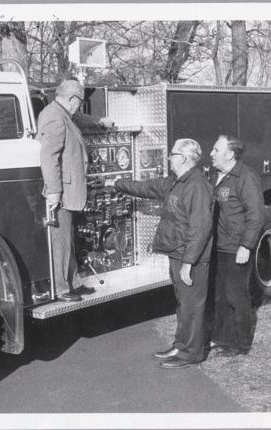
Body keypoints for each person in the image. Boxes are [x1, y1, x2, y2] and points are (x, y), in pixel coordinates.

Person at [112, 139, 214, 369]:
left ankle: (191, 353)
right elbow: (148, 188)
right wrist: (119, 184)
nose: (169, 157)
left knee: (192, 306)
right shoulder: (176, 181)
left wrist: (189, 262)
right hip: (177, 252)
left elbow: (201, 228)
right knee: (182, 303)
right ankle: (181, 345)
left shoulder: (197, 185)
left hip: (190, 256)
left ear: (185, 158)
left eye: (173, 154)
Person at [38, 79, 115, 301]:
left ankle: (73, 283)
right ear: (73, 98)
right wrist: (54, 191)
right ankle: (62, 290)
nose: (79, 107)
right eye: (79, 102)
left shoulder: (63, 113)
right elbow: (48, 156)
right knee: (60, 240)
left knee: (67, 237)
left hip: (67, 189)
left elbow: (79, 119)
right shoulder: (54, 116)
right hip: (61, 190)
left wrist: (100, 122)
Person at [208, 135, 265, 357]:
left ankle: (240, 344)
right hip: (220, 246)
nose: (211, 153)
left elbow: (256, 215)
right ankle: (222, 338)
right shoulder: (218, 176)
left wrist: (246, 246)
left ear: (230, 154)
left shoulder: (245, 178)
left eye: (216, 149)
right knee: (220, 295)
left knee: (236, 296)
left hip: (236, 247)